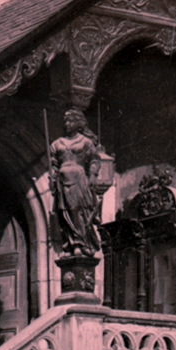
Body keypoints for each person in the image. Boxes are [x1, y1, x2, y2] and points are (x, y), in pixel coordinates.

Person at [50, 109, 103, 256]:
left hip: (79, 180)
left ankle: (81, 243)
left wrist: (93, 175)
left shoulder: (86, 142)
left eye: (71, 121)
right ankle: (70, 243)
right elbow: (54, 165)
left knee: (78, 211)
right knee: (64, 211)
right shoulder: (56, 144)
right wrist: (52, 178)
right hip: (62, 182)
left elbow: (94, 160)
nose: (67, 124)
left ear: (78, 123)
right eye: (65, 121)